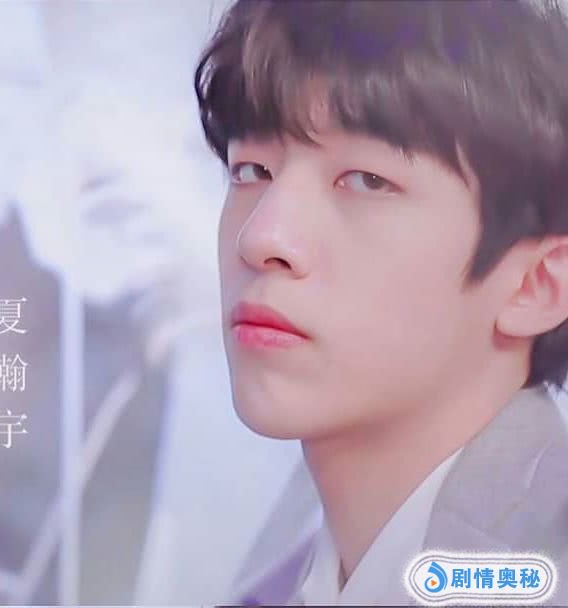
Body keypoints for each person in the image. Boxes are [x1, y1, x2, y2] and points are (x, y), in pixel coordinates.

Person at [193, 0, 568, 604]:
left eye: (366, 181)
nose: (262, 238)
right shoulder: (280, 580)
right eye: (251, 171)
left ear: (537, 284)